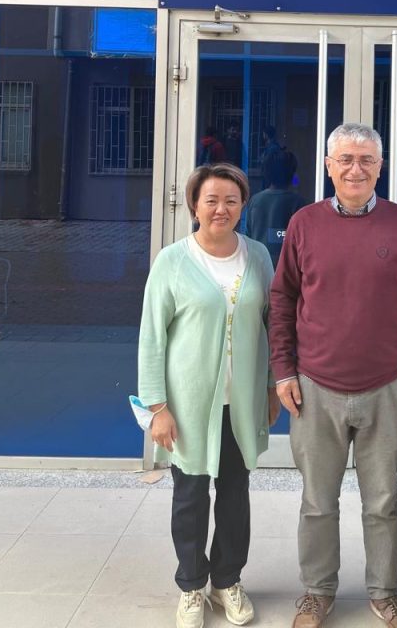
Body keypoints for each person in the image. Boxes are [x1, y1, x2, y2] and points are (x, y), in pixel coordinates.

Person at [270, 122, 397, 628]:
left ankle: (386, 593)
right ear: (328, 166)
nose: (355, 169)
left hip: (386, 387)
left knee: (382, 503)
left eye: (366, 159)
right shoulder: (303, 223)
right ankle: (317, 592)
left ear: (381, 167)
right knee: (317, 502)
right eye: (344, 159)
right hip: (314, 387)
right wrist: (283, 371)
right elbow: (282, 299)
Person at [137, 163, 279, 628]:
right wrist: (158, 406)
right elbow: (152, 337)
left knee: (236, 494)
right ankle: (191, 585)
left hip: (241, 402)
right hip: (189, 404)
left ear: (243, 205)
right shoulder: (172, 261)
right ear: (194, 206)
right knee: (191, 495)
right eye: (211, 200)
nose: (221, 209)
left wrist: (272, 386)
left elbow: (273, 325)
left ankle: (227, 581)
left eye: (231, 200)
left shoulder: (258, 255)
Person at [246, 150, 308, 267]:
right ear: (292, 173)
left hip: (258, 264)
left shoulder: (255, 200)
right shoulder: (297, 202)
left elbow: (248, 235)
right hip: (288, 266)